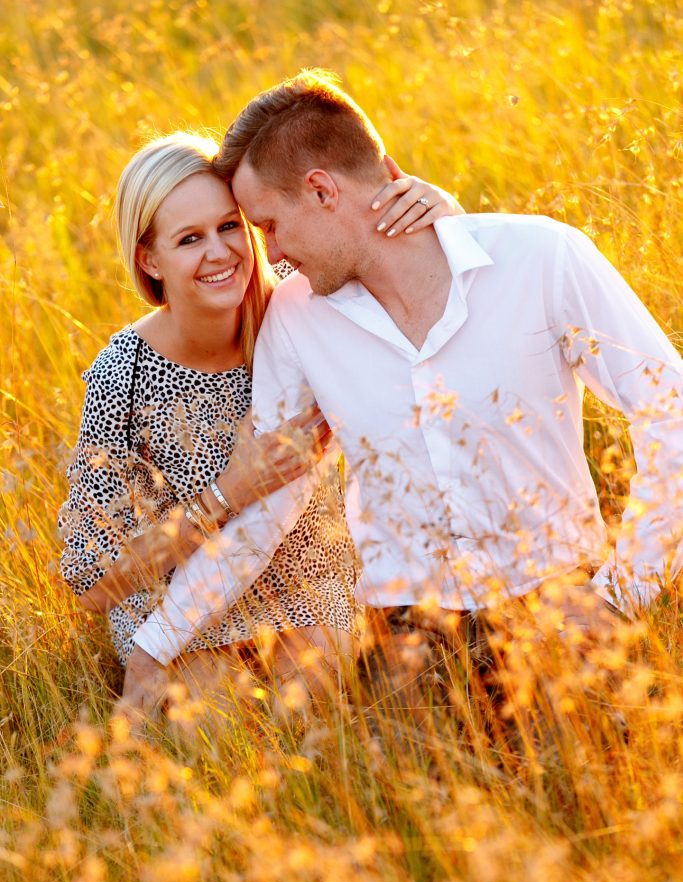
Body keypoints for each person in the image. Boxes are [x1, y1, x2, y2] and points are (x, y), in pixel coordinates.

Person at [125, 71, 683, 714]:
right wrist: (156, 643)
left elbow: (669, 415)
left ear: (323, 190)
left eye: (270, 225)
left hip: (560, 608)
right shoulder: (299, 319)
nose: (269, 255)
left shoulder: (540, 258)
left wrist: (618, 596)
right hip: (408, 642)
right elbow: (268, 509)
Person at [59, 129, 459, 715]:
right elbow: (94, 585)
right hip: (175, 605)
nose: (219, 252)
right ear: (150, 259)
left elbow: (409, 282)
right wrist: (228, 494)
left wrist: (443, 215)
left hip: (304, 581)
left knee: (306, 717)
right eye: (189, 238)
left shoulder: (305, 310)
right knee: (215, 734)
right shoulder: (123, 374)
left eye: (229, 226)